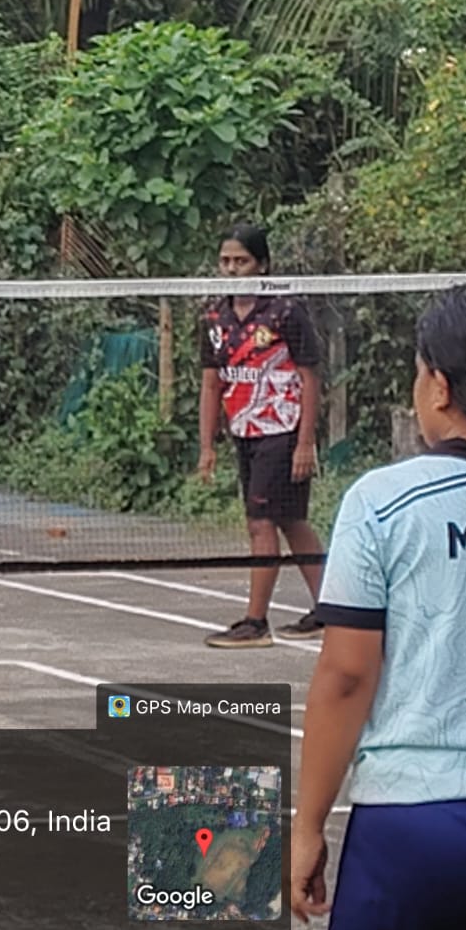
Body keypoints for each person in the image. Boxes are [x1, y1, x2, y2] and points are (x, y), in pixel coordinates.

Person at [291, 281, 466, 930]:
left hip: (411, 826)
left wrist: (308, 826)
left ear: (438, 386)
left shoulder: (382, 502)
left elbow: (345, 675)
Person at [197, 224, 327, 647]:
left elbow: (310, 378)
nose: (232, 269)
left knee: (261, 522)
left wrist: (305, 442)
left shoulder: (286, 311)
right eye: (226, 261)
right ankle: (330, 608)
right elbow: (211, 384)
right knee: (290, 520)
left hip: (282, 429)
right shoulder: (214, 317)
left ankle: (255, 623)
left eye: (242, 261)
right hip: (244, 431)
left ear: (263, 265)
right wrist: (207, 446)